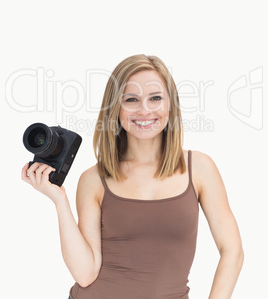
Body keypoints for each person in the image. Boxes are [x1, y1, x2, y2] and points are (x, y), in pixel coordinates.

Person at [21, 54, 244, 299]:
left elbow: (232, 251)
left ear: (171, 105)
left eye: (156, 98)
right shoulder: (94, 179)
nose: (144, 110)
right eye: (131, 100)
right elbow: (85, 274)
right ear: (115, 108)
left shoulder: (199, 168)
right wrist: (59, 201)